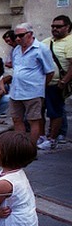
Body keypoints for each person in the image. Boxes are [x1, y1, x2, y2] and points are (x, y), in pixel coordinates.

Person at [9, 22, 55, 145]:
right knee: (17, 119)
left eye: (21, 35)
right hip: (16, 91)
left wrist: (40, 88)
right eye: (16, 36)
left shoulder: (41, 49)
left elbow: (50, 72)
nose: (18, 39)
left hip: (32, 91)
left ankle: (31, 148)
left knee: (33, 120)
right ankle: (21, 147)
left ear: (30, 34)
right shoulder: (16, 50)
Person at [39, 15, 72, 149]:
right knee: (39, 111)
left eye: (58, 26)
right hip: (42, 83)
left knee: (55, 112)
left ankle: (52, 138)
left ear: (68, 27)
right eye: (53, 26)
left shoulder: (70, 42)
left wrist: (64, 81)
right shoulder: (46, 41)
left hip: (57, 84)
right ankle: (41, 136)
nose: (54, 29)